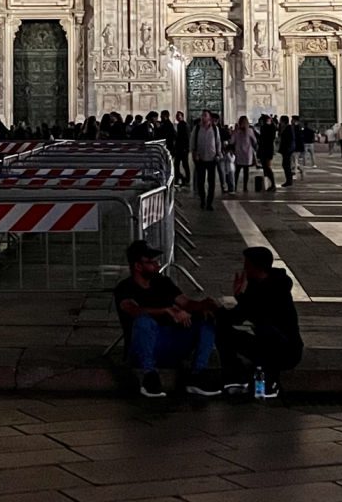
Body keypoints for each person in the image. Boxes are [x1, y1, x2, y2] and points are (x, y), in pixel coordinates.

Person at [114, 239, 218, 399]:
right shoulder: (125, 288)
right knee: (144, 321)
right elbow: (133, 309)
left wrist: (203, 305)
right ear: (138, 266)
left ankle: (198, 375)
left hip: (170, 342)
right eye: (150, 262)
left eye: (156, 261)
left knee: (206, 321)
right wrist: (165, 311)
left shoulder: (163, 282)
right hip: (144, 347)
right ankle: (149, 376)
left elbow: (186, 302)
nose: (156, 265)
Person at [204, 246, 303, 399]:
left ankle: (268, 383)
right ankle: (238, 378)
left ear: (254, 266)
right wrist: (229, 303)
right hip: (268, 343)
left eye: (247, 264)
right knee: (224, 331)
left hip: (285, 349)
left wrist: (236, 298)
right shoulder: (257, 283)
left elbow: (252, 313)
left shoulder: (275, 289)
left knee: (266, 333)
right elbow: (240, 315)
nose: (244, 267)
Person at [191, 109, 222, 209]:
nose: (203, 117)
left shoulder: (214, 129)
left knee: (211, 182)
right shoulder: (196, 129)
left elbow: (218, 142)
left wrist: (218, 153)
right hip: (200, 158)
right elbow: (192, 142)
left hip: (212, 158)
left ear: (209, 117)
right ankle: (203, 200)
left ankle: (209, 202)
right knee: (200, 181)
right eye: (202, 115)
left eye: (205, 115)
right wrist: (193, 152)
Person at [232, 115, 257, 192]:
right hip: (244, 153)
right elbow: (254, 141)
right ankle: (241, 187)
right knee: (241, 171)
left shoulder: (243, 131)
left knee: (241, 171)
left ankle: (238, 186)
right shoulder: (248, 131)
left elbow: (232, 141)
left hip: (243, 153)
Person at [257, 114, 276, 191]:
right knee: (266, 168)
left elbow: (263, 139)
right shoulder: (271, 127)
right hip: (267, 149)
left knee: (267, 167)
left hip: (265, 150)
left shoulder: (266, 128)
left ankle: (272, 184)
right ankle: (267, 184)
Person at [174, 111, 191, 187]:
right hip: (180, 148)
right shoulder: (180, 125)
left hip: (182, 148)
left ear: (182, 116)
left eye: (179, 116)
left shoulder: (184, 125)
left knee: (184, 164)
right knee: (178, 164)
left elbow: (186, 137)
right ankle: (182, 178)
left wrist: (186, 148)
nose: (177, 117)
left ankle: (185, 179)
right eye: (177, 115)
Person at [278, 116, 294, 186]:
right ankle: (289, 180)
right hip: (286, 149)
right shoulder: (286, 128)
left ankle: (289, 180)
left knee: (286, 165)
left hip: (287, 150)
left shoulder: (288, 128)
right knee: (286, 165)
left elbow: (289, 139)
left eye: (280, 121)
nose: (280, 122)